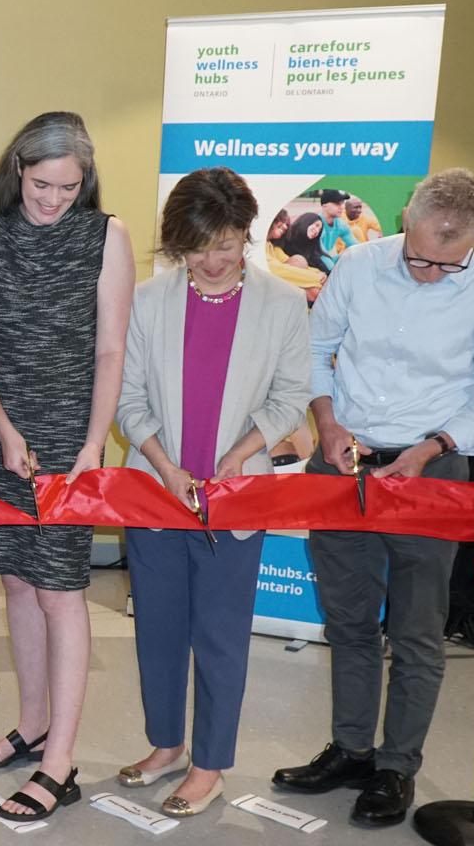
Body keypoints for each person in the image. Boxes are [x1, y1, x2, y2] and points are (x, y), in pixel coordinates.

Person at [272, 168, 474, 827]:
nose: (430, 273)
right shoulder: (357, 266)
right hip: (343, 464)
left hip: (430, 472)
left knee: (416, 629)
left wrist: (432, 446)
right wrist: (327, 423)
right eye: (419, 256)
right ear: (406, 218)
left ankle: (396, 767)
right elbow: (315, 350)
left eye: (451, 263)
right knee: (348, 618)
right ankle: (352, 748)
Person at [113, 168, 311, 817]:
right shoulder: (148, 300)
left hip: (237, 498)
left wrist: (239, 455)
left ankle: (210, 765)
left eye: (227, 244)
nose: (214, 260)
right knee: (159, 632)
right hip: (157, 494)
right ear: (177, 243)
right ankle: (166, 744)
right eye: (200, 247)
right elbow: (129, 397)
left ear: (246, 236)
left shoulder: (282, 305)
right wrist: (165, 465)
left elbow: (289, 397)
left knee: (220, 636)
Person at [0, 111, 133, 820]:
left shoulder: (106, 237)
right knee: (21, 587)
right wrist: (0, 429)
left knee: (61, 591)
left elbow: (111, 351)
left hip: (69, 443)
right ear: (16, 170)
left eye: (68, 186)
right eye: (40, 184)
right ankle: (32, 727)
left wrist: (92, 446)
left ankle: (59, 763)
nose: (53, 199)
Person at [263, 209, 327, 299]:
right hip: (265, 286)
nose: (285, 227)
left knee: (299, 260)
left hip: (282, 281)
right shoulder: (261, 247)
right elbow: (276, 269)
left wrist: (319, 273)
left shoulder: (273, 247)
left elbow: (284, 261)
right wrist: (316, 278)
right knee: (314, 291)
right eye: (316, 225)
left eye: (287, 224)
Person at [314, 190, 360, 269]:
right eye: (337, 204)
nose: (342, 207)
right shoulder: (316, 225)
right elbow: (321, 255)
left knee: (351, 256)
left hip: (323, 260)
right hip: (308, 264)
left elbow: (356, 247)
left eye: (342, 203)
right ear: (324, 206)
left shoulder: (340, 225)